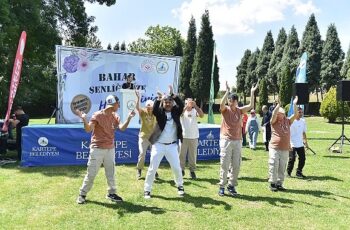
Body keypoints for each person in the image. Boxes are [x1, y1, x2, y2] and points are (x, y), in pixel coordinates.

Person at [76, 95, 135, 204]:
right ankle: (82, 194)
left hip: (110, 149)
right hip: (97, 149)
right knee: (91, 173)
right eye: (118, 103)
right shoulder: (98, 115)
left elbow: (122, 128)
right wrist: (84, 119)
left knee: (111, 173)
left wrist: (129, 118)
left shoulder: (115, 116)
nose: (119, 105)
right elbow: (88, 129)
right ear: (114, 104)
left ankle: (111, 193)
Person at [218, 81, 258, 196]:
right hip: (226, 140)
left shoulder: (239, 110)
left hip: (237, 141)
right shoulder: (225, 110)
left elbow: (250, 106)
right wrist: (226, 92)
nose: (232, 102)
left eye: (234, 100)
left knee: (236, 165)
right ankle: (222, 186)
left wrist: (252, 92)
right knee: (224, 164)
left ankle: (231, 185)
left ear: (236, 101)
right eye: (231, 100)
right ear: (229, 101)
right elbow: (221, 104)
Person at [144, 85, 184, 199]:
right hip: (158, 145)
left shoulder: (176, 112)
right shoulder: (160, 112)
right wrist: (158, 98)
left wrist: (173, 95)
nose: (168, 104)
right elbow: (155, 109)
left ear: (172, 103)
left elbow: (181, 105)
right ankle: (147, 189)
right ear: (163, 103)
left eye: (169, 102)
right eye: (165, 102)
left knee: (176, 167)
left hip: (172, 146)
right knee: (153, 168)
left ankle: (180, 186)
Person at [268, 97, 298, 192]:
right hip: (275, 147)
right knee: (274, 165)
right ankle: (273, 183)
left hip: (285, 148)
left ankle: (279, 183)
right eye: (279, 114)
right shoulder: (273, 121)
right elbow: (273, 114)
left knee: (282, 166)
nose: (280, 115)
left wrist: (294, 104)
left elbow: (296, 114)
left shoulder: (287, 121)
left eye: (282, 114)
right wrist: (278, 106)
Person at [179, 98, 204, 179]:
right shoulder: (183, 111)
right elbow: (179, 114)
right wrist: (187, 106)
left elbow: (202, 115)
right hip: (184, 136)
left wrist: (195, 106)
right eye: (187, 102)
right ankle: (181, 170)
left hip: (193, 137)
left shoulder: (195, 111)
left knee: (192, 156)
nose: (189, 104)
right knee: (181, 155)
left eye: (190, 102)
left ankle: (192, 171)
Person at [135, 90, 157, 180]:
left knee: (154, 155)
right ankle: (139, 170)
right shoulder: (143, 112)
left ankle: (154, 171)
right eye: (148, 106)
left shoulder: (156, 113)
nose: (149, 108)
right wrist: (138, 98)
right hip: (143, 136)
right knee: (142, 153)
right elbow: (137, 108)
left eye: (150, 107)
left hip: (152, 137)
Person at [287, 107, 308, 178]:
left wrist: (306, 142)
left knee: (303, 158)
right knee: (292, 158)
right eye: (299, 112)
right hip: (292, 143)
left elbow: (304, 132)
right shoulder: (291, 120)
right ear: (296, 113)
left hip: (300, 143)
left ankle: (299, 172)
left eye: (302, 112)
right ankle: (288, 172)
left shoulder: (303, 121)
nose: (301, 114)